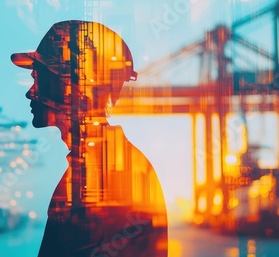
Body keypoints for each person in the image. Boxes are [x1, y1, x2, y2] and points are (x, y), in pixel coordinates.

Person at [11, 20, 167, 257]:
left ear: (74, 88)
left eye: (40, 78)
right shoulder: (101, 165)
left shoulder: (105, 176)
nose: (30, 92)